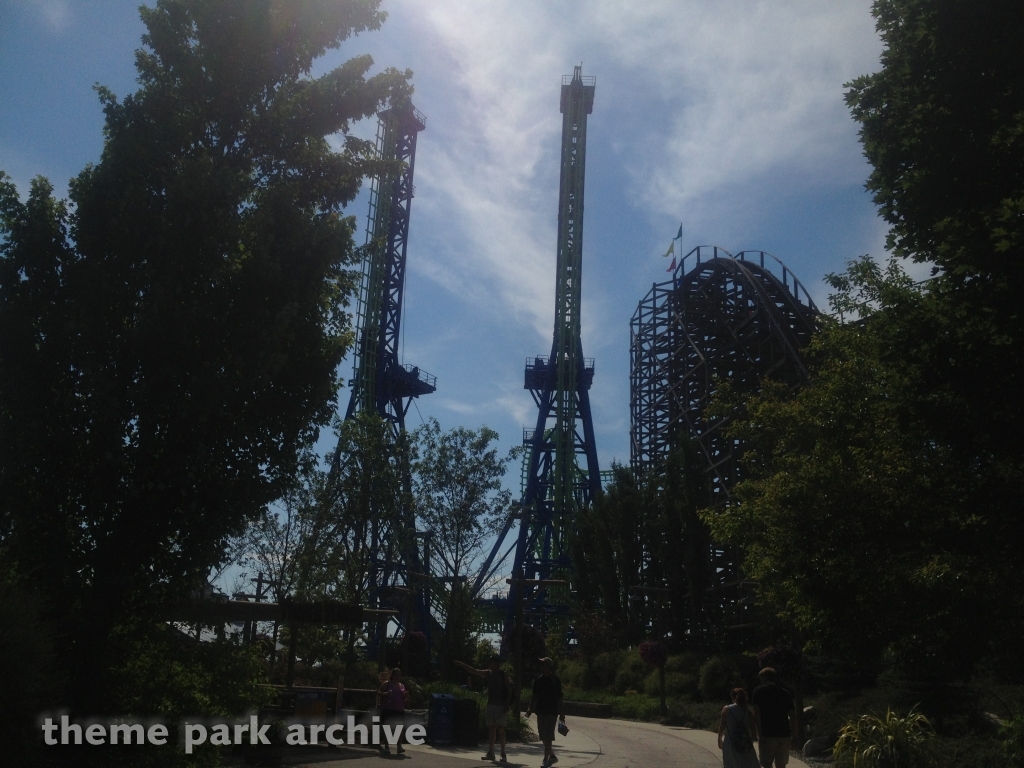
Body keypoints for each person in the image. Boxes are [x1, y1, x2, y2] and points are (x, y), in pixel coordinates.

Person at [454, 655, 512, 762]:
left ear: (497, 663)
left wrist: (507, 704)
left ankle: (503, 753)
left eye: (492, 662)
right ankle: (491, 752)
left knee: (501, 728)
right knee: (492, 728)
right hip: (491, 704)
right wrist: (462, 665)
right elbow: (474, 671)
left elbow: (509, 690)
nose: (490, 664)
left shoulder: (503, 674)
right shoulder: (488, 673)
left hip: (500, 705)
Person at [751, 667, 796, 768]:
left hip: (767, 733)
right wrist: (794, 735)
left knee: (766, 763)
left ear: (764, 678)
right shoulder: (785, 693)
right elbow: (793, 716)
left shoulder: (758, 691)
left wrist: (759, 734)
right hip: (784, 734)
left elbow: (756, 714)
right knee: (781, 764)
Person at [525, 657, 565, 767]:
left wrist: (562, 713)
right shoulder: (538, 680)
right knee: (542, 736)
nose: (541, 667)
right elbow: (534, 696)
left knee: (548, 737)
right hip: (540, 711)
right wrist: (530, 709)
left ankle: (545, 759)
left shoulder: (555, 680)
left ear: (548, 666)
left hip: (551, 712)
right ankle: (552, 756)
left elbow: (559, 698)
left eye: (543, 665)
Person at [718, 687, 760, 768]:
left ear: (732, 697)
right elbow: (754, 732)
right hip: (745, 743)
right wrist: (748, 742)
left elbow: (722, 726)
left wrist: (719, 739)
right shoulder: (748, 712)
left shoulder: (727, 709)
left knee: (731, 764)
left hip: (730, 742)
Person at [377, 668, 409, 754]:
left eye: (399, 675)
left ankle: (399, 746)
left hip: (399, 709)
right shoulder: (388, 683)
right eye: (396, 674)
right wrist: (386, 693)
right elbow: (379, 692)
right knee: (387, 727)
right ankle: (387, 747)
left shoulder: (402, 685)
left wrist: (406, 699)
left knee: (399, 728)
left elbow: (404, 697)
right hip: (388, 708)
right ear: (392, 675)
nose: (397, 677)